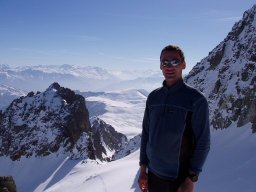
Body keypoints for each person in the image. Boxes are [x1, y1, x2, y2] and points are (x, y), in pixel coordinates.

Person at [138, 45, 210, 192]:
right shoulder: (153, 97)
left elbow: (203, 142)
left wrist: (191, 178)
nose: (169, 66)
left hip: (178, 181)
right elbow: (146, 135)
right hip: (152, 176)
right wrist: (142, 170)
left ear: (183, 64)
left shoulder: (196, 100)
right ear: (160, 66)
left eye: (175, 61)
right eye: (165, 62)